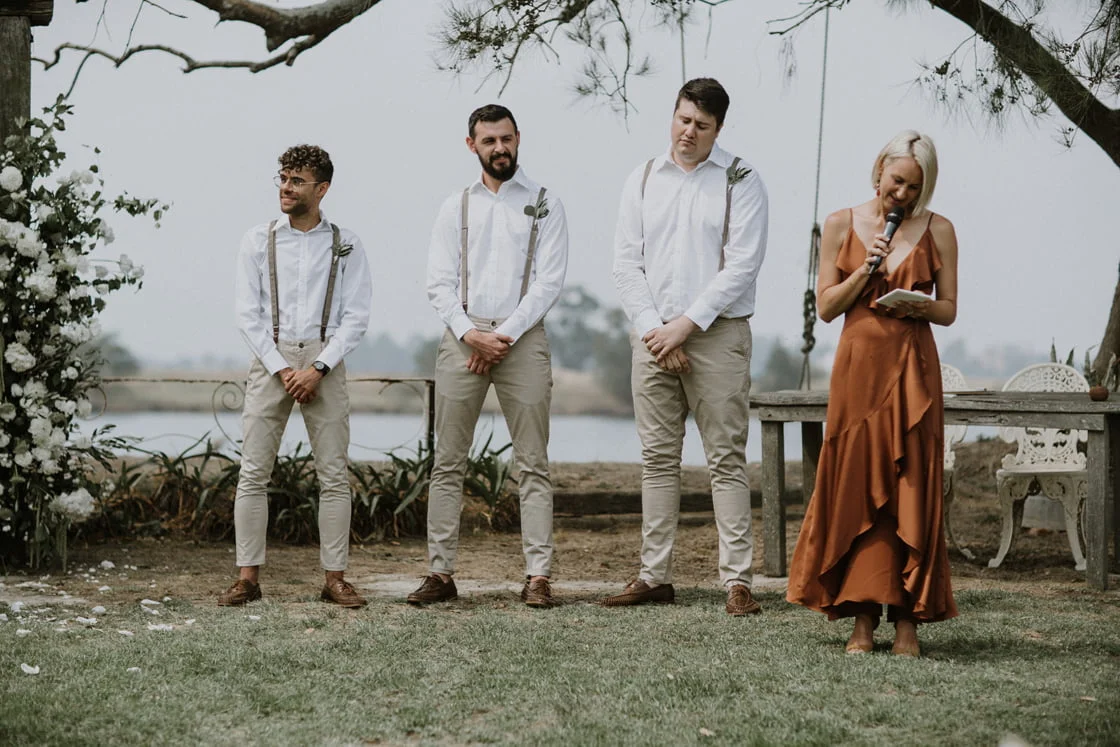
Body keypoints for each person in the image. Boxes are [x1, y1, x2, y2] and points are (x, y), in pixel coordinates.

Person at [786, 130, 960, 656]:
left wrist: (919, 305)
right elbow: (826, 307)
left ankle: (907, 621)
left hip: (913, 371)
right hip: (858, 371)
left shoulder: (941, 229)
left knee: (910, 482)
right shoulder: (840, 223)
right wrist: (866, 269)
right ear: (880, 169)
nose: (901, 195)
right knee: (860, 484)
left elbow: (949, 308)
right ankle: (861, 618)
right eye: (896, 181)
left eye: (914, 187)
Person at [601, 78, 769, 616]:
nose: (688, 132)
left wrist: (686, 326)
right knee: (656, 459)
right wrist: (657, 329)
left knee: (725, 459)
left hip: (717, 336)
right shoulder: (643, 178)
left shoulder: (741, 180)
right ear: (672, 115)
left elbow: (742, 265)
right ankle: (654, 576)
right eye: (682, 119)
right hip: (652, 336)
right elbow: (626, 264)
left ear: (718, 129)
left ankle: (737, 581)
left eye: (701, 125)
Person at [408, 104, 569, 608]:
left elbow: (548, 282)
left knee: (533, 463)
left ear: (518, 138)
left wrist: (503, 337)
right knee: (447, 461)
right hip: (463, 338)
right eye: (489, 140)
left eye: (506, 138)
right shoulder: (454, 206)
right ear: (471, 145)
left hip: (524, 340)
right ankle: (440, 573)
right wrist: (470, 334)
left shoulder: (546, 203)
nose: (500, 148)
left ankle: (538, 576)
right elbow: (437, 283)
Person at [219, 145, 373, 608]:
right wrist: (284, 369)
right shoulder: (257, 240)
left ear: (321, 189)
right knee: (253, 472)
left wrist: (319, 367)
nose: (285, 188)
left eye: (297, 181)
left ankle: (335, 579)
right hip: (272, 359)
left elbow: (356, 316)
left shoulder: (347, 243)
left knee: (334, 474)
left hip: (326, 359)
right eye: (283, 179)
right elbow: (247, 315)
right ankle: (247, 579)